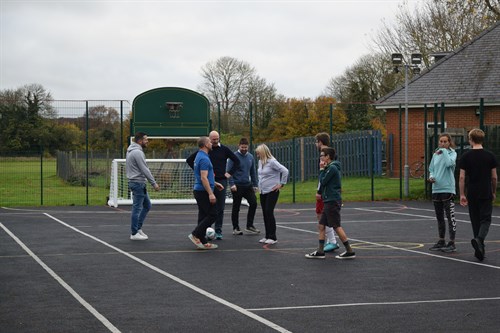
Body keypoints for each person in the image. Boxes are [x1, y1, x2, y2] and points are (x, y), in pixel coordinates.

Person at [187, 131, 240, 240]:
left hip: (218, 181)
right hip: (206, 184)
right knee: (209, 212)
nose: (214, 141)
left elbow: (237, 161)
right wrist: (199, 172)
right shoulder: (203, 155)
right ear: (208, 142)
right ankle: (201, 233)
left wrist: (229, 173)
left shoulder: (223, 150)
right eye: (212, 140)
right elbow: (198, 170)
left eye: (217, 139)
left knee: (218, 209)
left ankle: (215, 231)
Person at [305, 147, 355, 259]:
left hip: (332, 201)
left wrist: (321, 170)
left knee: (336, 226)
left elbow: (323, 181)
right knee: (321, 225)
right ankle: (320, 251)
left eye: (322, 155)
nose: (321, 157)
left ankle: (349, 250)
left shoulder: (332, 168)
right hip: (328, 200)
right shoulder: (330, 168)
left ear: (328, 156)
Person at [459, 128, 498, 261]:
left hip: (473, 190)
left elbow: (462, 178)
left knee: (475, 219)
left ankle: (479, 249)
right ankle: (480, 239)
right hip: (485, 189)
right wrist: (493, 191)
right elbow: (494, 177)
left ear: (470, 140)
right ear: (482, 139)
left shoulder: (465, 156)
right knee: (486, 219)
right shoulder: (490, 156)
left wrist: (462, 194)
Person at [188, 136, 223, 250]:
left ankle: (202, 241)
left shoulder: (200, 156)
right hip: (203, 191)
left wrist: (215, 183)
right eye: (209, 141)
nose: (211, 143)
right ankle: (195, 234)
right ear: (205, 145)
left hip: (200, 190)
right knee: (213, 214)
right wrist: (211, 193)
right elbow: (203, 178)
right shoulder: (204, 159)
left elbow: (204, 176)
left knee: (203, 215)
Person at [126, 132, 160, 240]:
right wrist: (154, 183)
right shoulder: (137, 152)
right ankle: (134, 232)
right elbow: (144, 169)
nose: (147, 141)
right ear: (140, 141)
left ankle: (138, 228)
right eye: (146, 139)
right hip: (138, 183)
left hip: (137, 182)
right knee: (137, 208)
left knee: (147, 205)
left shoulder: (131, 150)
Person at [428, 133, 458, 253]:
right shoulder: (435, 154)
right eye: (441, 141)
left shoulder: (452, 154)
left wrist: (445, 151)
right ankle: (441, 240)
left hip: (447, 189)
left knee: (450, 217)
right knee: (439, 217)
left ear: (449, 142)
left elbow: (449, 164)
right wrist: (431, 177)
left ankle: (452, 242)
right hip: (436, 189)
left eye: (445, 141)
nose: (443, 143)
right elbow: (431, 169)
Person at [255, 144, 288, 245]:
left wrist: (281, 184)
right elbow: (261, 176)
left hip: (272, 190)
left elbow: (285, 170)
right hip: (263, 191)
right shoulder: (260, 162)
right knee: (265, 212)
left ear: (263, 152)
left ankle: (273, 237)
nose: (257, 155)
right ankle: (267, 235)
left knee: (269, 211)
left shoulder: (272, 162)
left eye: (258, 153)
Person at [227, 137, 260, 235]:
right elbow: (229, 172)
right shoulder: (233, 157)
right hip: (237, 186)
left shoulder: (250, 157)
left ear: (248, 147)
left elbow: (253, 172)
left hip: (247, 185)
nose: (244, 149)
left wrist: (255, 184)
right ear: (239, 146)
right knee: (236, 207)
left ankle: (249, 226)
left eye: (246, 147)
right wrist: (232, 184)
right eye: (242, 147)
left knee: (253, 203)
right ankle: (236, 227)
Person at [314, 132, 339, 252]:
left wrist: (319, 191)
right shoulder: (329, 154)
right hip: (327, 190)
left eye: (316, 142)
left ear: (320, 142)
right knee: (324, 216)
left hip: (325, 191)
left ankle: (332, 241)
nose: (315, 144)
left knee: (322, 216)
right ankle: (331, 240)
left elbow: (323, 175)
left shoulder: (323, 156)